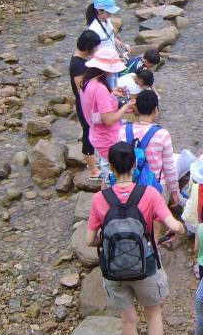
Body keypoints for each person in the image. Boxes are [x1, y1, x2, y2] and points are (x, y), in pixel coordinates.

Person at [85, 142, 183, 335]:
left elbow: (89, 240)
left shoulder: (99, 198)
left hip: (113, 269)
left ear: (110, 166)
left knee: (127, 320)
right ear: (134, 164)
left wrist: (106, 240)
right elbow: (173, 225)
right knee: (153, 314)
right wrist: (178, 230)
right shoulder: (149, 193)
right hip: (147, 264)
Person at [80, 47, 135, 180]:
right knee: (112, 174)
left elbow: (96, 108)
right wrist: (125, 107)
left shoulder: (88, 82)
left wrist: (112, 93)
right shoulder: (100, 89)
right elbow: (109, 120)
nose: (113, 74)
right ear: (106, 71)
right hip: (106, 139)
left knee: (107, 171)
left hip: (96, 134)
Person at [116, 89, 179, 206]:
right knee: (156, 219)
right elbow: (169, 168)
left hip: (130, 184)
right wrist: (175, 192)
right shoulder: (162, 134)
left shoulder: (123, 130)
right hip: (154, 185)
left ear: (136, 109)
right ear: (156, 110)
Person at [70, 30, 102, 181]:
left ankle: (95, 163)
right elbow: (81, 88)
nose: (96, 49)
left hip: (88, 104)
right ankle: (94, 170)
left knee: (92, 132)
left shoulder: (82, 58)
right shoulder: (77, 64)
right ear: (88, 47)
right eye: (94, 47)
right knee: (88, 134)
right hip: (84, 105)